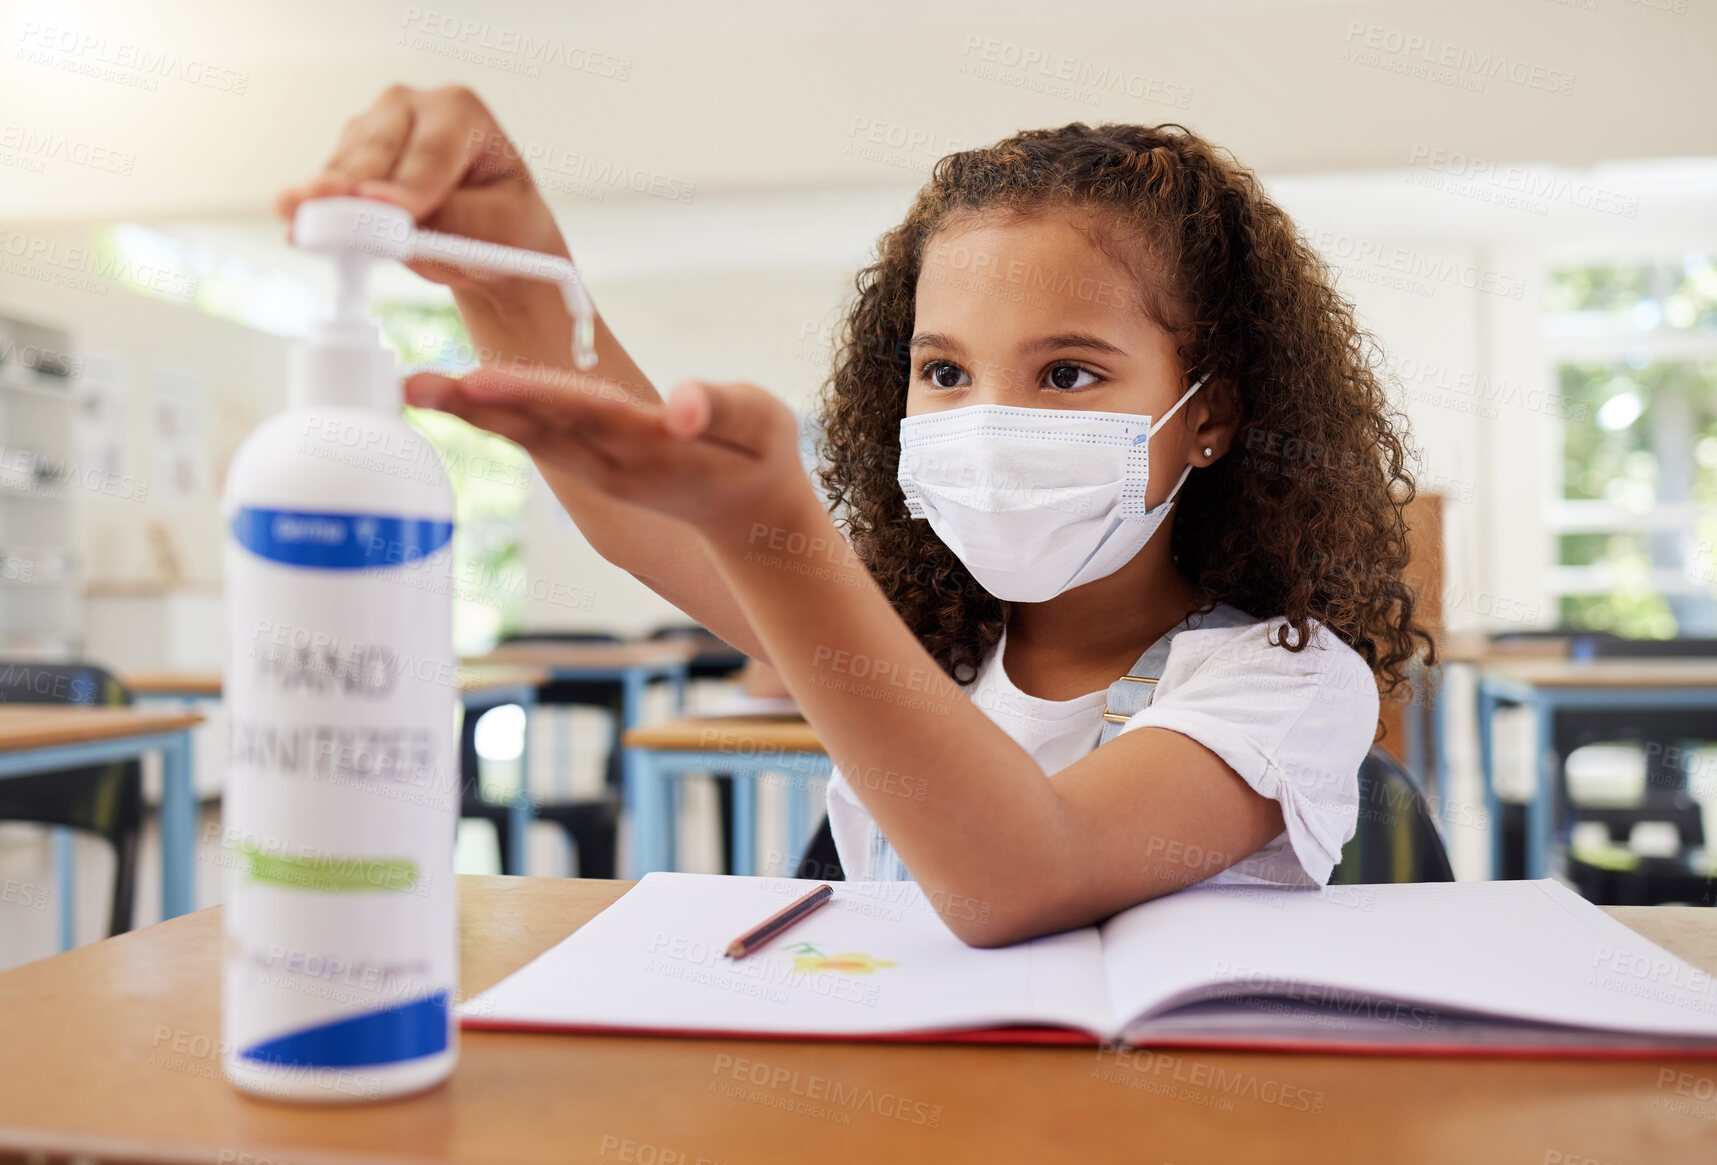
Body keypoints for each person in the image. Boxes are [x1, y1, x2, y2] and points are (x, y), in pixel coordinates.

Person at [278, 85, 1434, 947]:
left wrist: (763, 520)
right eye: (943, 372)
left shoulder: (1284, 680)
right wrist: (507, 256)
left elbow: (1023, 874)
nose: (985, 422)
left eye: (1067, 374)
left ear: (1209, 416)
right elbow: (643, 513)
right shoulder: (921, 635)